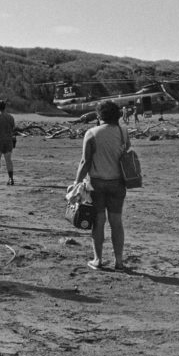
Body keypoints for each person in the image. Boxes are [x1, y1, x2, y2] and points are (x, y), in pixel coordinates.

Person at [73, 100, 129, 271]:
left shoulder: (91, 133)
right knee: (116, 222)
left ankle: (98, 259)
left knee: (98, 221)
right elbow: (125, 151)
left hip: (96, 183)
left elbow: (85, 161)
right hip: (118, 182)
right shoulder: (123, 131)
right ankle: (119, 261)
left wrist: (76, 182)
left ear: (99, 116)